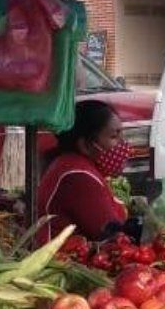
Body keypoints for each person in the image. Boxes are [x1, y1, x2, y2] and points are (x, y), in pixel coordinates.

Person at [35, 99, 132, 244]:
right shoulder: (78, 177)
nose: (122, 144)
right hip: (66, 262)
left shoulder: (71, 163)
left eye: (121, 135)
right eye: (113, 136)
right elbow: (112, 236)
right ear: (85, 145)